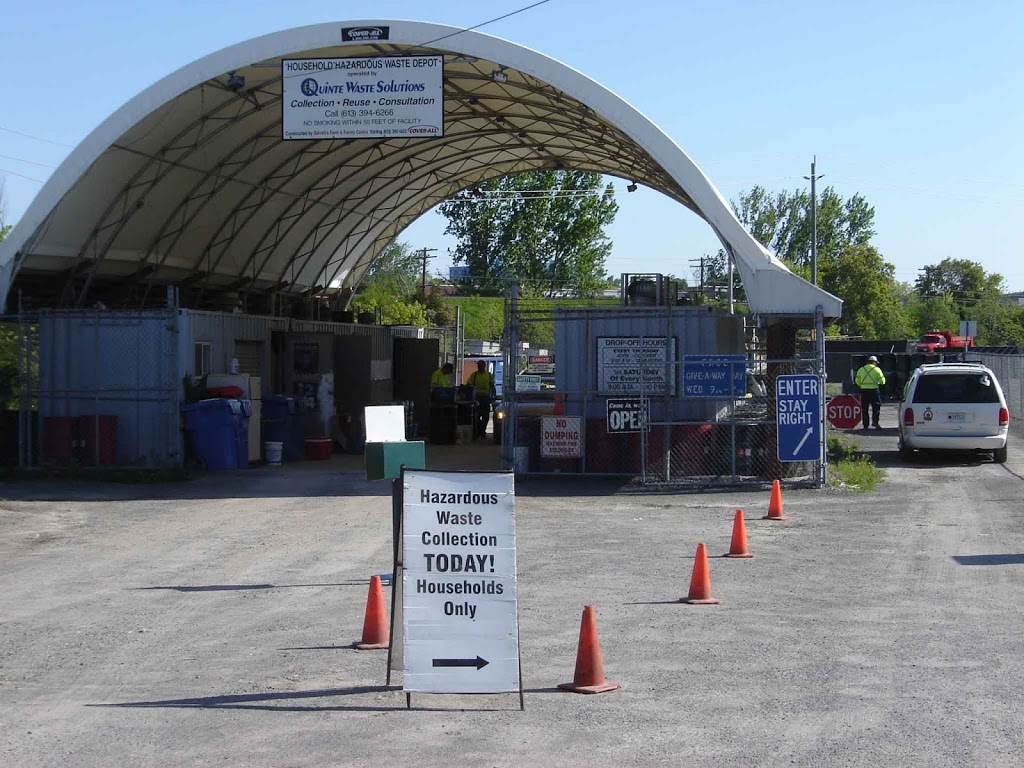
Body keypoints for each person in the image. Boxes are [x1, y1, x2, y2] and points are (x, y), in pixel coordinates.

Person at [854, 355, 886, 429]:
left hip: (864, 391)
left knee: (865, 408)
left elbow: (857, 381)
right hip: (874, 390)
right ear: (874, 362)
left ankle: (865, 425)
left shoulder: (861, 369)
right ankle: (875, 422)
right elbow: (883, 381)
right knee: (876, 407)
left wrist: (862, 385)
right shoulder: (877, 370)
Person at [467, 360, 496, 440]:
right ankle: (478, 432)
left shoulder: (489, 375)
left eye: (480, 365)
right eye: (478, 366)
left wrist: (494, 396)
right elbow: (469, 384)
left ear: (484, 366)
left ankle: (482, 432)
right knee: (476, 416)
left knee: (485, 416)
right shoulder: (474, 375)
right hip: (476, 399)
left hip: (485, 399)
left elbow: (492, 386)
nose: (479, 367)